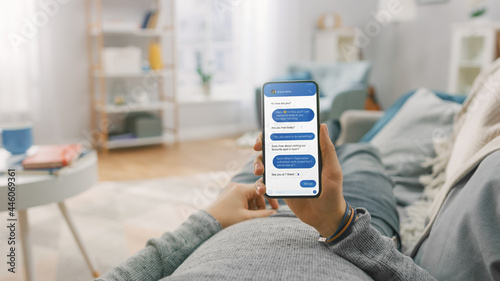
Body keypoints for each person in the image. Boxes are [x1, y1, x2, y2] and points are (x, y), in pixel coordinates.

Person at [97, 124, 435, 280]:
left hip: (242, 213)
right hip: (347, 224)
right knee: (363, 151)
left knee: (262, 160)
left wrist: (208, 218)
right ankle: (341, 131)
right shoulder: (345, 223)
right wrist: (342, 225)